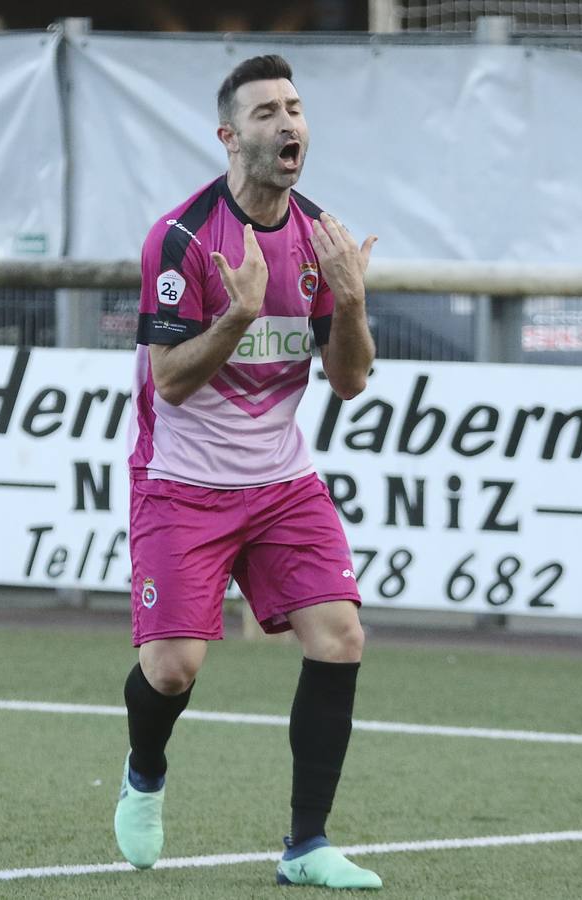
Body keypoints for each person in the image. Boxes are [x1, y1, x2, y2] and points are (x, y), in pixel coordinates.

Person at [114, 54, 382, 890]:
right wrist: (237, 313)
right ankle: (144, 773)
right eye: (266, 111)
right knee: (174, 669)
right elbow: (171, 379)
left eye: (295, 107)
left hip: (280, 484)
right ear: (231, 137)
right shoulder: (184, 236)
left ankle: (306, 847)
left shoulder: (321, 237)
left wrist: (352, 302)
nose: (288, 122)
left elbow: (347, 380)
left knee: (339, 637)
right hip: (182, 483)